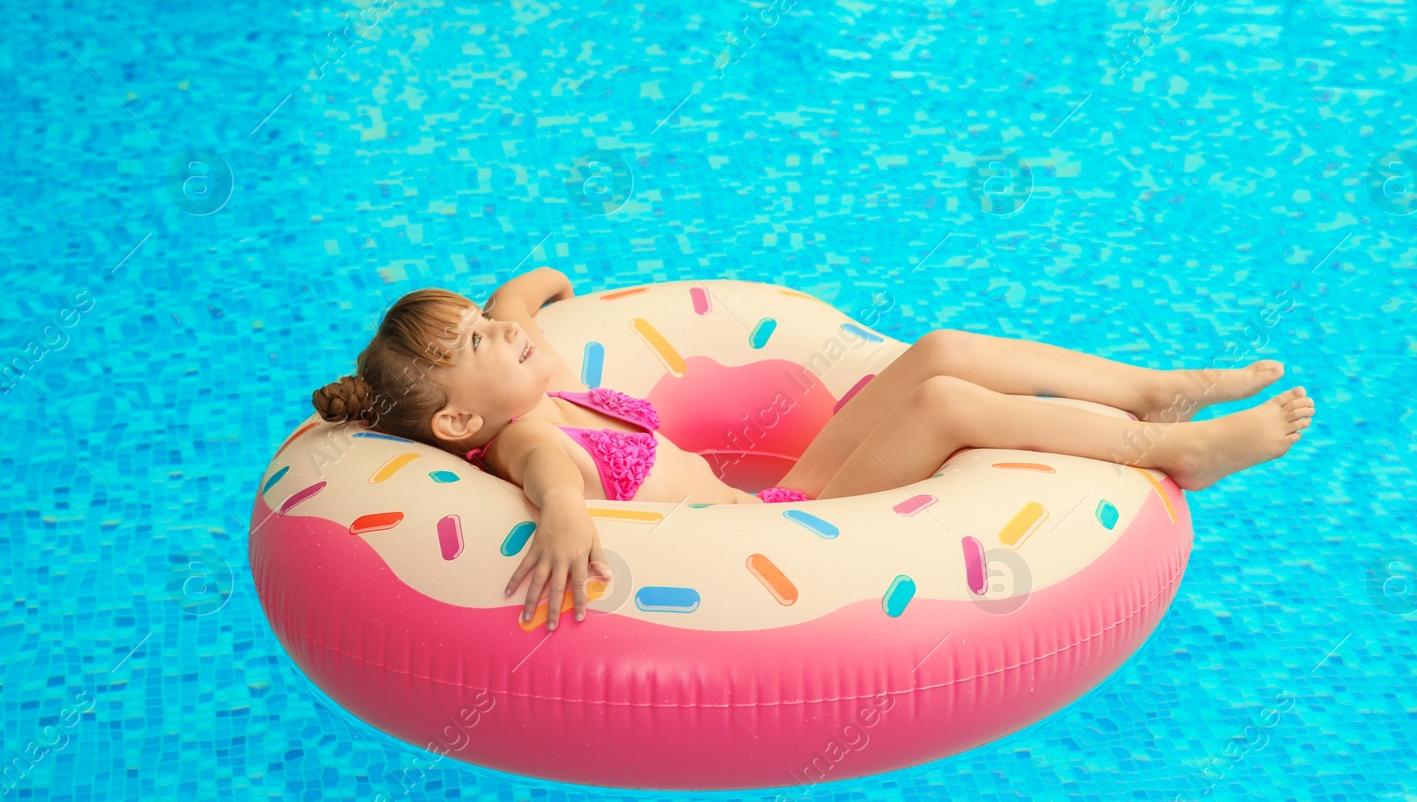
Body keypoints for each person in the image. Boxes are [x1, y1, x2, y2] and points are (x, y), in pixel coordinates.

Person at [312, 267, 1314, 631]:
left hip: (783, 489)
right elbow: (550, 484)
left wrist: (517, 305)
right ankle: (1168, 447)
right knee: (954, 400)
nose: (499, 329)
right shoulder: (531, 433)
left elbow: (527, 288)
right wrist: (566, 525)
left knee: (940, 349)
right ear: (456, 426)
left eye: (482, 322)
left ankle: (1156, 384)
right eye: (479, 341)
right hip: (788, 528)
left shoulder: (525, 373)